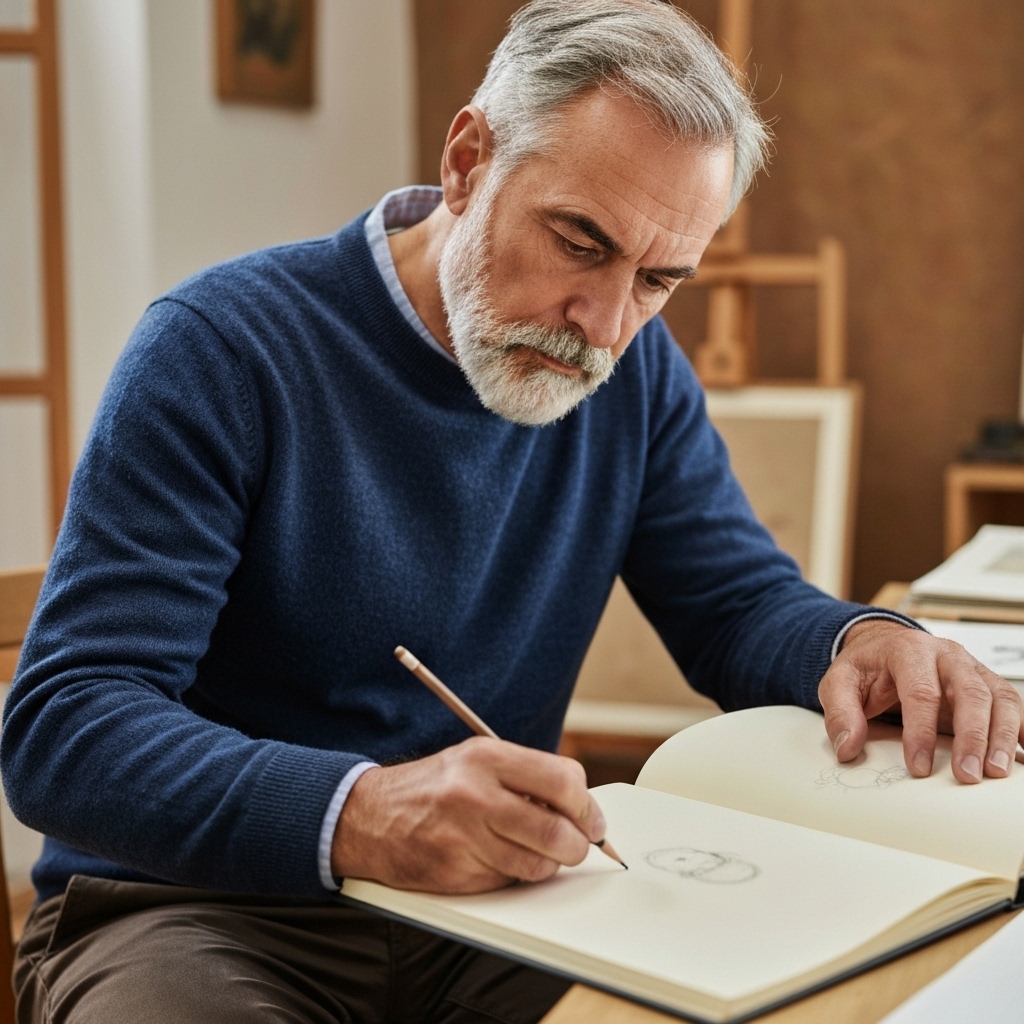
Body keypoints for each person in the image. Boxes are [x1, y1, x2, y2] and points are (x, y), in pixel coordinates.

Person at [4, 1, 1021, 1021]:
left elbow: (733, 602)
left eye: (660, 279)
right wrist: (358, 811)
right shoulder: (219, 351)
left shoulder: (632, 375)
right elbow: (65, 725)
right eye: (581, 242)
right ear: (465, 160)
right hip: (193, 906)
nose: (605, 324)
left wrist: (858, 640)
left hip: (496, 906)